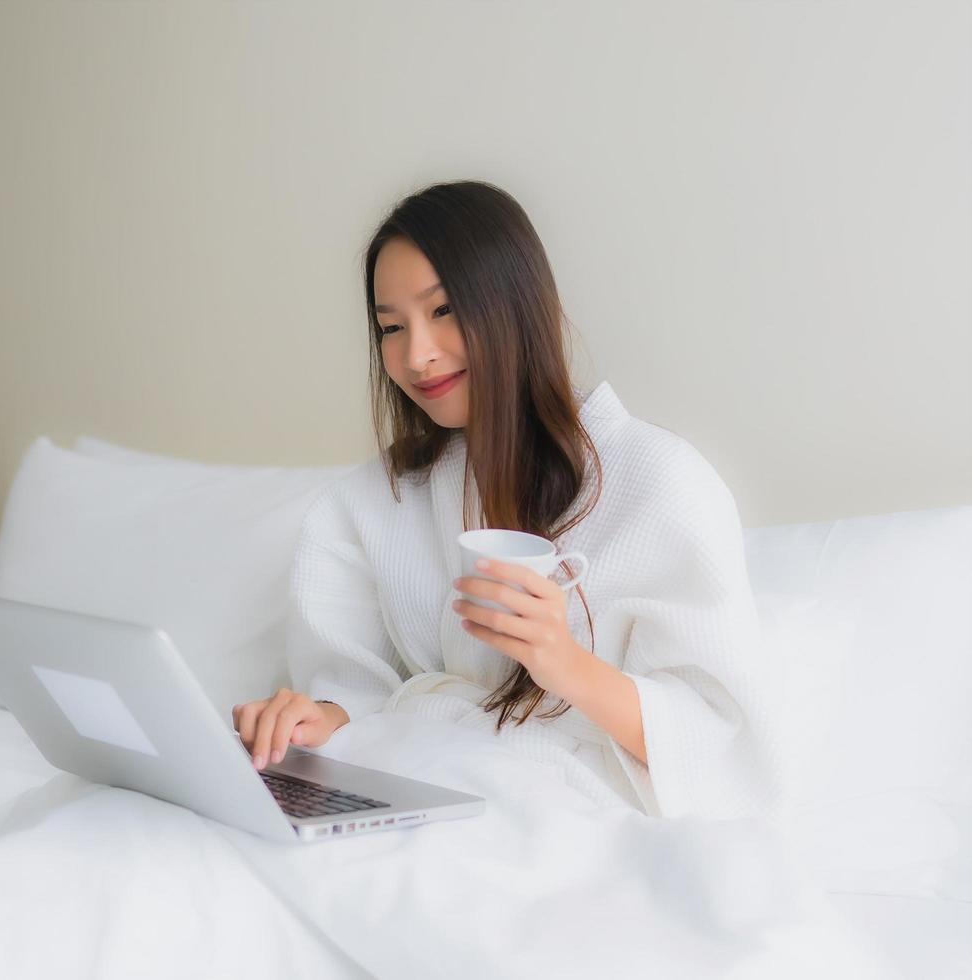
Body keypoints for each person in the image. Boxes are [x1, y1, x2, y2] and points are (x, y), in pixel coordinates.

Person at [232, 180, 786, 821]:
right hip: (415, 786)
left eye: (442, 312)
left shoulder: (658, 481)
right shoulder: (367, 501)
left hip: (570, 811)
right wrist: (313, 718)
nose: (417, 355)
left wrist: (561, 661)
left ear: (514, 304)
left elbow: (723, 745)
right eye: (391, 327)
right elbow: (356, 691)